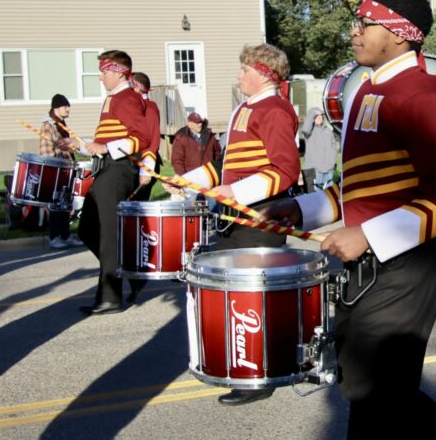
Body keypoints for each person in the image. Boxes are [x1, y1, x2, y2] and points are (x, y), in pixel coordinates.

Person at [264, 0, 436, 439]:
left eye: (365, 23)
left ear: (399, 33)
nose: (353, 31)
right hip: (374, 263)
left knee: (375, 390)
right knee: (368, 383)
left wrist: (367, 236)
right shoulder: (365, 91)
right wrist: (300, 210)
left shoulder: (422, 93)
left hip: (410, 264)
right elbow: (358, 185)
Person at [165, 43, 300, 406]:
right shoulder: (247, 107)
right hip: (237, 214)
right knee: (235, 293)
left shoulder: (274, 109)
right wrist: (187, 180)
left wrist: (235, 191)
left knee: (248, 300)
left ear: (264, 73)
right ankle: (248, 367)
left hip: (261, 215)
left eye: (244, 70)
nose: (239, 75)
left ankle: (257, 375)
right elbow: (224, 165)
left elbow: (285, 169)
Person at [58, 50, 150, 316]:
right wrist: (79, 144)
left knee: (109, 236)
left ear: (119, 71)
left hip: (118, 171)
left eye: (105, 71)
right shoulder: (113, 98)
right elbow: (103, 144)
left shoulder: (127, 97)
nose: (101, 77)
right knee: (88, 229)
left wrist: (105, 147)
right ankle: (133, 272)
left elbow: (139, 138)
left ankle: (109, 297)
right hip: (106, 168)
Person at [40, 94, 85, 249]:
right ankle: (54, 237)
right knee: (55, 204)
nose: (68, 108)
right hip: (55, 171)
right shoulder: (49, 126)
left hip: (66, 170)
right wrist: (57, 162)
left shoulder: (61, 124)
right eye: (65, 106)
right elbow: (46, 151)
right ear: (56, 108)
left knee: (65, 204)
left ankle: (65, 236)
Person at [131, 72, 162, 202]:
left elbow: (152, 140)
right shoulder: (131, 106)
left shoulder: (149, 108)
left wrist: (146, 170)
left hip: (143, 163)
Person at [301, 108, 338, 192]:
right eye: (316, 116)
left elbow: (334, 147)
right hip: (315, 171)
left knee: (328, 198)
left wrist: (332, 163)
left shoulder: (328, 131)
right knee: (315, 200)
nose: (319, 117)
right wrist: (312, 113)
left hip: (328, 171)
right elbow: (305, 129)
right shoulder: (309, 131)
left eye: (320, 115)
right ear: (312, 118)